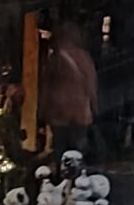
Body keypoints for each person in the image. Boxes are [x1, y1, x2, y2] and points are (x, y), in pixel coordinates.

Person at [41, 20, 99, 160]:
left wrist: (43, 109)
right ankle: (78, 175)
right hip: (80, 111)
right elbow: (91, 84)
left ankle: (62, 175)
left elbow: (47, 86)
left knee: (60, 148)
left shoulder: (55, 59)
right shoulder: (84, 57)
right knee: (78, 148)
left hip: (59, 111)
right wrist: (94, 107)